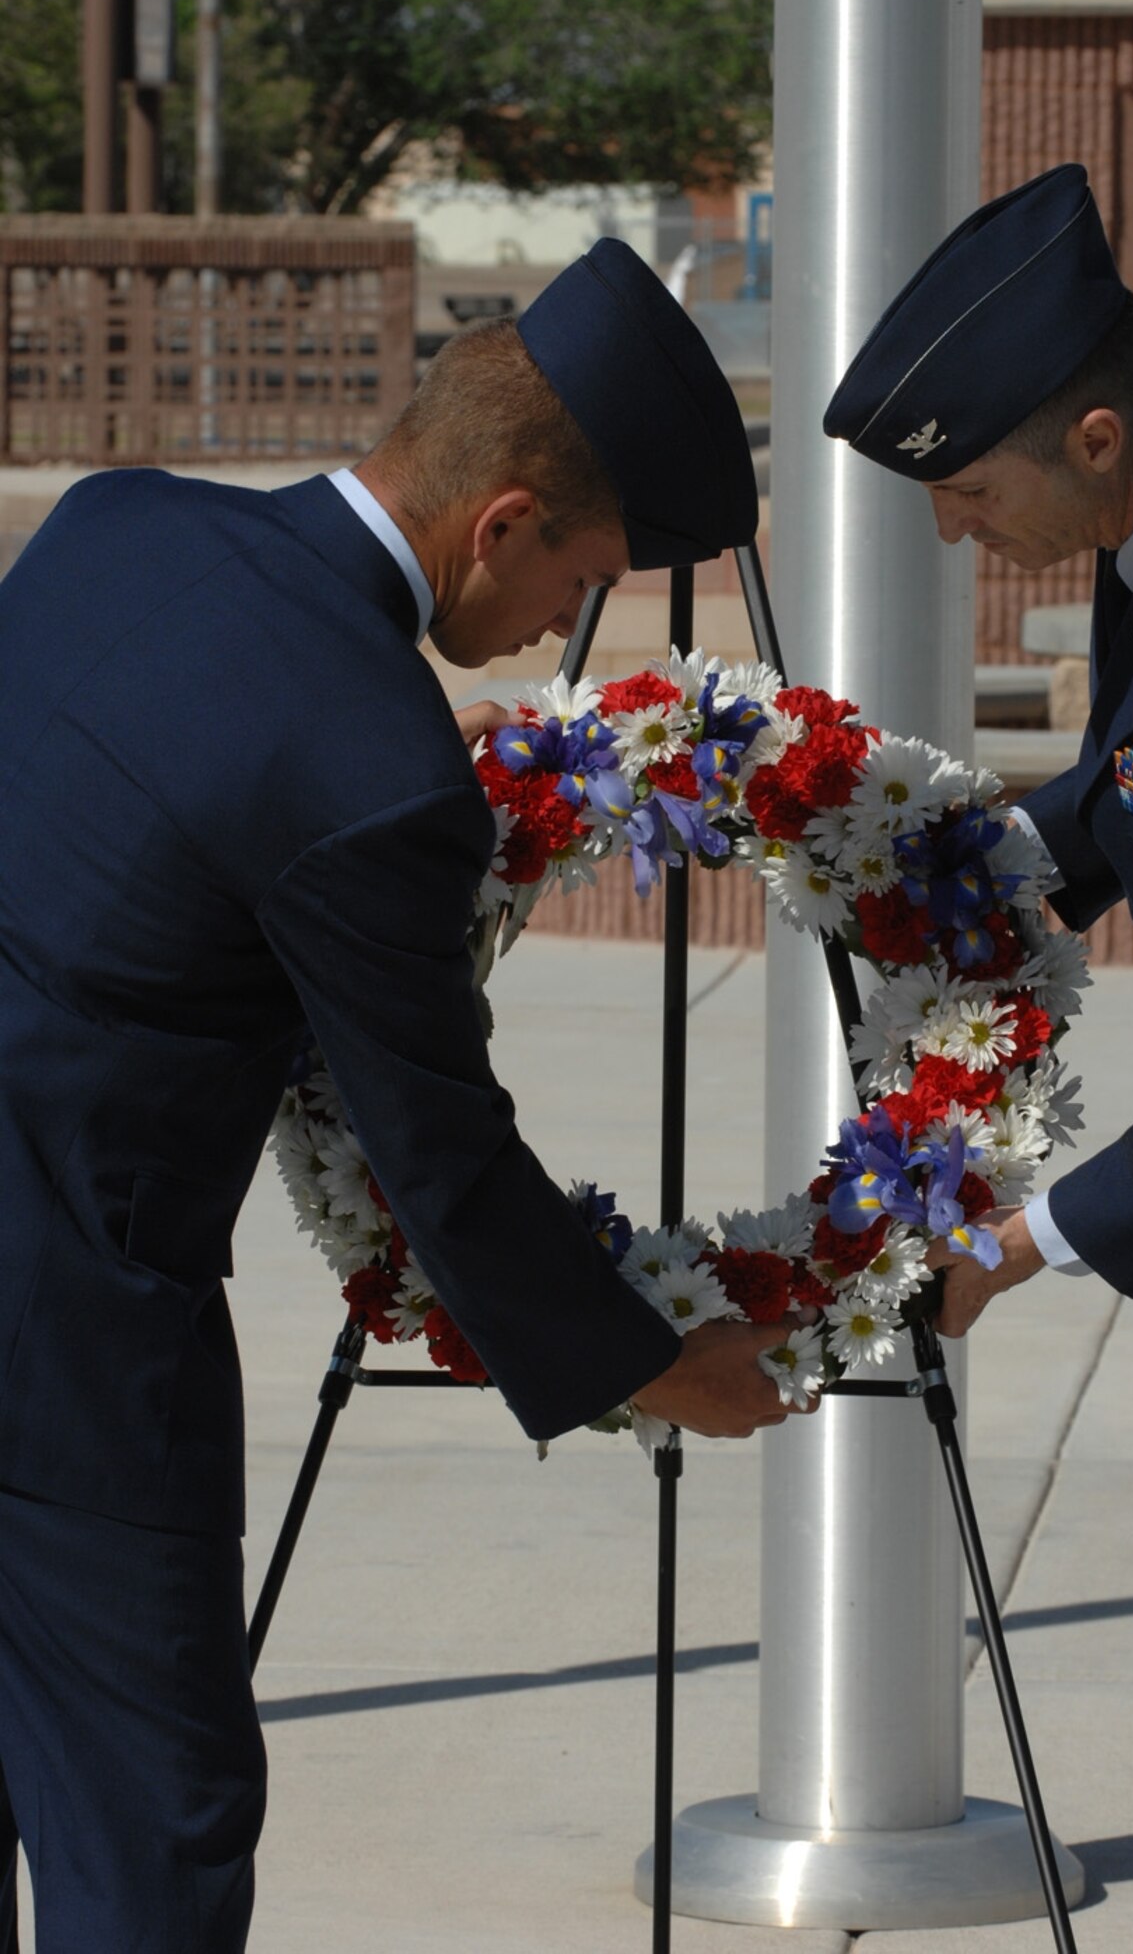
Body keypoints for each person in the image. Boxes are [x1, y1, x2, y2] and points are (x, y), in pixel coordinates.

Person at [0, 238, 805, 1954]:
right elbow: (438, 1141)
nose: (543, 642)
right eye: (573, 583)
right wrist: (654, 1361)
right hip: (60, 1349)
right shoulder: (373, 760)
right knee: (156, 1830)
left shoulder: (111, 521)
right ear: (501, 521)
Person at [825, 160, 1133, 1950]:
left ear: (1094, 435)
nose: (958, 534)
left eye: (970, 490)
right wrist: (946, 868)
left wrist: (1019, 1247)